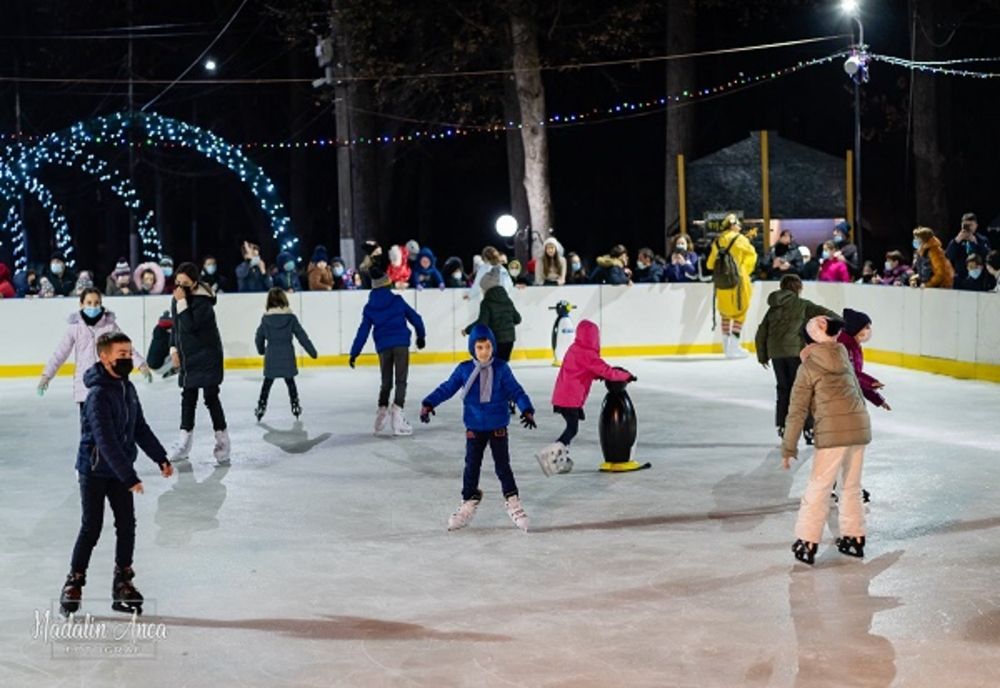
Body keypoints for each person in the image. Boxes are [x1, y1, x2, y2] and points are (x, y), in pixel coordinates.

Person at [57, 332, 174, 618]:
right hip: (95, 470)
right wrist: (129, 476)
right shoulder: (97, 395)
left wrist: (160, 457)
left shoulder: (127, 388)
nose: (127, 358)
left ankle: (123, 581)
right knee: (92, 526)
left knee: (126, 525)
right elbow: (105, 440)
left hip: (120, 470)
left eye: (129, 353)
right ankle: (74, 582)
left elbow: (139, 427)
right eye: (122, 354)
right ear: (104, 356)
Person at [420, 324, 536, 532]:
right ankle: (468, 501)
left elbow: (516, 391)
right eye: (480, 347)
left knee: (503, 466)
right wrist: (429, 403)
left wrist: (526, 409)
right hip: (474, 426)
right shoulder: (465, 369)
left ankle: (513, 502)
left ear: (493, 347)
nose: (484, 352)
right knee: (471, 466)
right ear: (472, 348)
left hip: (497, 426)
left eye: (488, 347)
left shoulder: (501, 368)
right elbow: (447, 388)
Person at [782, 315, 871, 566]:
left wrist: (788, 447)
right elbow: (858, 394)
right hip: (858, 428)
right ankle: (854, 538)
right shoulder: (844, 358)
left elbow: (797, 410)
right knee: (851, 486)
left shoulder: (809, 367)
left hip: (833, 433)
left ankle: (807, 542)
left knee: (819, 487)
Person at [536, 319, 635, 476]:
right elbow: (607, 371)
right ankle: (552, 458)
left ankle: (560, 459)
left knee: (571, 427)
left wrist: (595, 375)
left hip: (562, 396)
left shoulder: (574, 348)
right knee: (572, 429)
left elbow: (580, 370)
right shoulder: (588, 354)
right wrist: (627, 376)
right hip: (570, 398)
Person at [38, 287, 152, 410]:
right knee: (89, 421)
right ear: (81, 304)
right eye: (89, 303)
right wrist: (46, 376)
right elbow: (60, 353)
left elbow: (125, 348)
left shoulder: (109, 326)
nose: (93, 306)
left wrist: (141, 365)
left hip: (107, 384)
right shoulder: (75, 328)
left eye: (97, 303)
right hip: (84, 386)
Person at [755, 274, 837, 442]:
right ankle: (809, 428)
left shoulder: (773, 308)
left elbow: (761, 333)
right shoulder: (803, 305)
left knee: (783, 389)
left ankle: (782, 426)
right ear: (798, 288)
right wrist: (842, 322)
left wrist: (763, 356)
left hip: (776, 354)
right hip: (795, 354)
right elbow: (827, 314)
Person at [348, 267, 426, 436]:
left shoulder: (369, 307)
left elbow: (363, 332)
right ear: (387, 284)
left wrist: (354, 353)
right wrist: (421, 336)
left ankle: (382, 412)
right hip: (401, 344)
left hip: (383, 347)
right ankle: (397, 417)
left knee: (386, 382)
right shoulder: (397, 300)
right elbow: (416, 318)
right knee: (401, 381)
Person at [169, 262, 230, 465]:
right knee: (188, 398)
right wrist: (173, 349)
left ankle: (223, 443)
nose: (180, 287)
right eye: (177, 282)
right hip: (189, 358)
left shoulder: (203, 302)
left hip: (207, 357)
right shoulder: (177, 299)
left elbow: (189, 326)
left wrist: (181, 302)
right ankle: (183, 444)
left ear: (195, 283)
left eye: (185, 283)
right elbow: (176, 327)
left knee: (211, 398)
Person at [254, 287, 318, 421]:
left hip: (272, 357)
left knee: (267, 383)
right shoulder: (291, 318)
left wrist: (261, 350)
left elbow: (258, 337)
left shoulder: (266, 320)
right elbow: (302, 336)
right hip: (287, 356)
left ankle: (261, 405)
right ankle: (295, 404)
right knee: (290, 382)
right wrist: (312, 352)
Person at [706, 213, 757, 358]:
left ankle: (726, 347)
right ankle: (734, 347)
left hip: (722, 283)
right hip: (738, 281)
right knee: (740, 313)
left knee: (725, 314)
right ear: (733, 225)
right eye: (738, 224)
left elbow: (710, 264)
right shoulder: (741, 239)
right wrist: (744, 270)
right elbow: (752, 256)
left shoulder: (717, 241)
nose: (740, 227)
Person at [463, 267, 521, 362]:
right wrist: (506, 324)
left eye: (483, 288)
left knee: (493, 366)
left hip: (496, 339)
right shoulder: (507, 300)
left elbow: (482, 323)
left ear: (486, 288)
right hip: (510, 339)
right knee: (503, 365)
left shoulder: (486, 302)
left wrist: (467, 330)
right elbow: (518, 319)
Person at [945, 212, 991, 281]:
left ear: (976, 226)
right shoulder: (957, 240)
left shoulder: (982, 240)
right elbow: (948, 256)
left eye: (971, 225)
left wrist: (976, 243)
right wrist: (956, 241)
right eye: (966, 225)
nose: (968, 227)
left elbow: (988, 257)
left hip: (978, 278)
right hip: (961, 278)